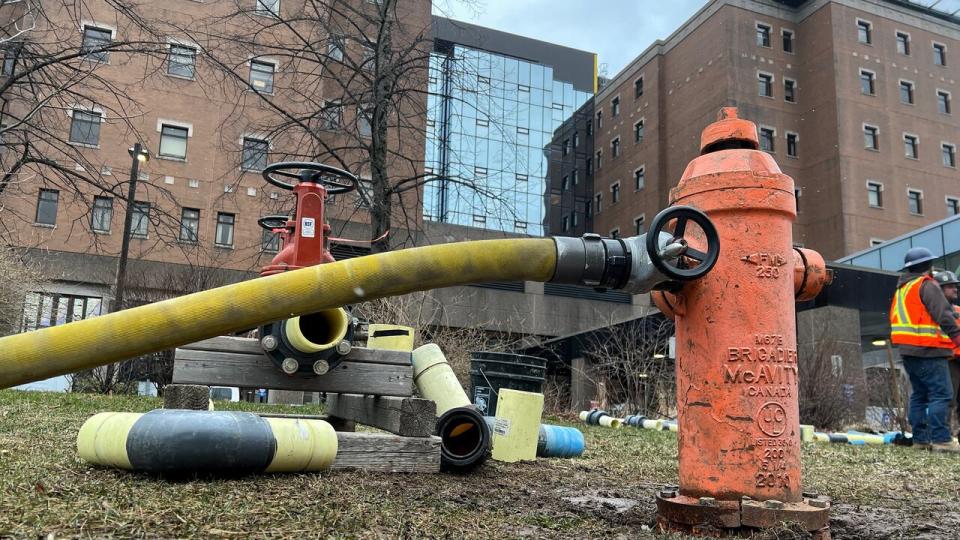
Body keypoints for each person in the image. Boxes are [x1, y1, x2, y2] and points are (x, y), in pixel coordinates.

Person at [890, 248, 960, 452]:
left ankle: (920, 440)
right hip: (929, 350)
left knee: (919, 395)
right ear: (928, 265)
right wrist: (957, 337)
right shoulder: (927, 285)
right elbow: (943, 314)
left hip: (908, 351)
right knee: (942, 394)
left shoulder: (902, 288)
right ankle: (941, 439)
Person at [934, 270, 960, 438]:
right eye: (950, 287)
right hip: (947, 359)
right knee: (948, 399)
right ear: (940, 290)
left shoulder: (958, 309)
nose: (955, 290)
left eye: (955, 286)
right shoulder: (935, 312)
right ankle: (945, 435)